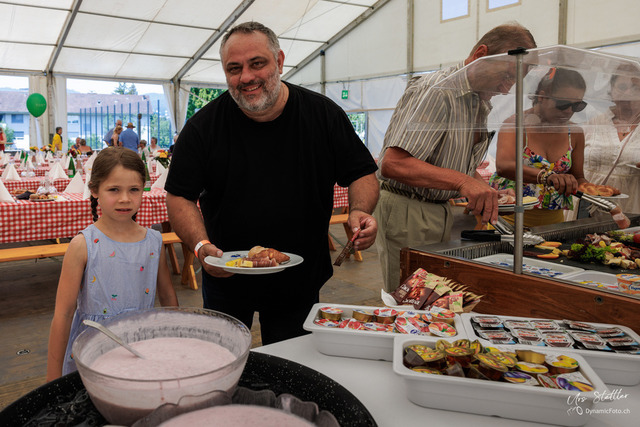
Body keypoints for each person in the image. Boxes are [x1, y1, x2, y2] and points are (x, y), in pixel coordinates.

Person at [165, 21, 379, 345]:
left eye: (257, 63)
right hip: (226, 275)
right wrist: (199, 246)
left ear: (279, 61)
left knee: (292, 365)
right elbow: (179, 196)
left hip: (299, 278)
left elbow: (361, 172)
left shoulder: (322, 115)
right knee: (225, 360)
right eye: (234, 68)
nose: (246, 77)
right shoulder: (202, 128)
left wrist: (360, 210)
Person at [374, 23, 537, 292]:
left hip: (437, 210)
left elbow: (453, 163)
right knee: (409, 299)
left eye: (514, 82)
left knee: (431, 298)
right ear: (480, 54)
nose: (507, 89)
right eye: (507, 76)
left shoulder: (476, 101)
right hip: (408, 209)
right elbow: (393, 164)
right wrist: (463, 182)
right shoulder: (437, 90)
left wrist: (482, 188)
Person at [46, 147, 178, 380]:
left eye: (134, 189)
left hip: (140, 349)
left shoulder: (153, 242)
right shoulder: (82, 245)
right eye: (114, 189)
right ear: (94, 190)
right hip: (92, 353)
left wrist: (175, 348)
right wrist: (52, 378)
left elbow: (168, 299)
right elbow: (63, 314)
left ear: (143, 189)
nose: (125, 198)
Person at [490, 68, 588, 227]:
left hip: (554, 222)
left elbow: (578, 177)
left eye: (577, 105)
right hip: (510, 220)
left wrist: (595, 190)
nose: (569, 111)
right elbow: (504, 166)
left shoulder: (575, 132)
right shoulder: (516, 125)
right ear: (542, 96)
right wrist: (547, 176)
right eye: (563, 104)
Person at [583, 64, 640, 214]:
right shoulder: (593, 121)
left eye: (635, 88)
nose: (628, 93)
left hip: (631, 207)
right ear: (611, 89)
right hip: (587, 205)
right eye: (622, 87)